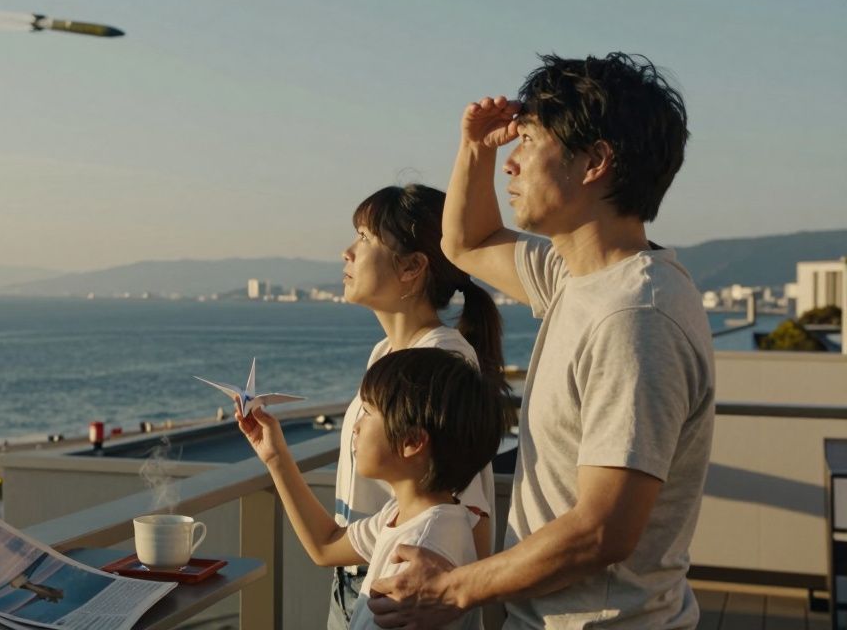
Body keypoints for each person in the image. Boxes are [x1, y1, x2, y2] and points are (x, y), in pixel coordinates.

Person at [368, 53, 715, 628]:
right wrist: (474, 148)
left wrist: (452, 588)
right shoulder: (574, 277)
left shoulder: (634, 317)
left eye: (528, 140)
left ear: (595, 161)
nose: (512, 161)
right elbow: (465, 242)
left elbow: (603, 529)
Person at [332, 184, 512, 628]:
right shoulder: (385, 353)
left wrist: (458, 604)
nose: (346, 252)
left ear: (412, 267)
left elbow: (472, 512)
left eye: (365, 238)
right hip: (361, 572)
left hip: (399, 588)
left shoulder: (442, 362)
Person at [237, 348, 510, 630]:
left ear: (412, 441)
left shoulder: (417, 555)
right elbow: (326, 545)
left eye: (367, 412)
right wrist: (276, 457)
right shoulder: (409, 515)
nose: (355, 427)